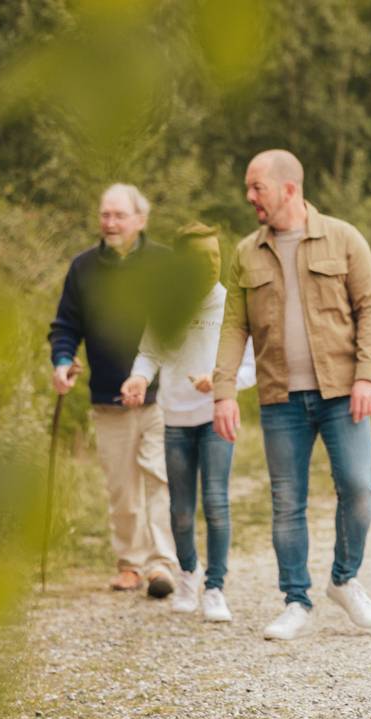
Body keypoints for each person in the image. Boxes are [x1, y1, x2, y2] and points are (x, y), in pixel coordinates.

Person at [212, 149, 371, 641]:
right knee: (286, 500)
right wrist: (223, 391)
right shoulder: (247, 252)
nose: (249, 197)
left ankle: (344, 578)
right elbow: (234, 326)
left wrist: (367, 376)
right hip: (280, 398)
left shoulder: (345, 238)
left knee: (358, 487)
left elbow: (370, 310)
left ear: (288, 189)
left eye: (256, 187)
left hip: (342, 393)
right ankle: (295, 599)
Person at [121, 222, 257, 623]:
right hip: (176, 420)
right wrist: (138, 377)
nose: (211, 265)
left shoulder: (233, 306)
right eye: (200, 259)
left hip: (217, 417)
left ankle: (215, 588)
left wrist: (221, 381)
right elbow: (150, 353)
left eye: (216, 256)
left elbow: (251, 366)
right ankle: (187, 574)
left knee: (215, 502)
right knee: (181, 510)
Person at [48, 183, 178, 598]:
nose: (110, 222)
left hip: (161, 398)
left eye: (119, 215)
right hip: (108, 398)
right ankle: (130, 563)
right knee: (122, 490)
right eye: (105, 214)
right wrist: (62, 361)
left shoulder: (163, 263)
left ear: (141, 219)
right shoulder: (83, 268)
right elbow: (66, 326)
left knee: (159, 480)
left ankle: (162, 565)